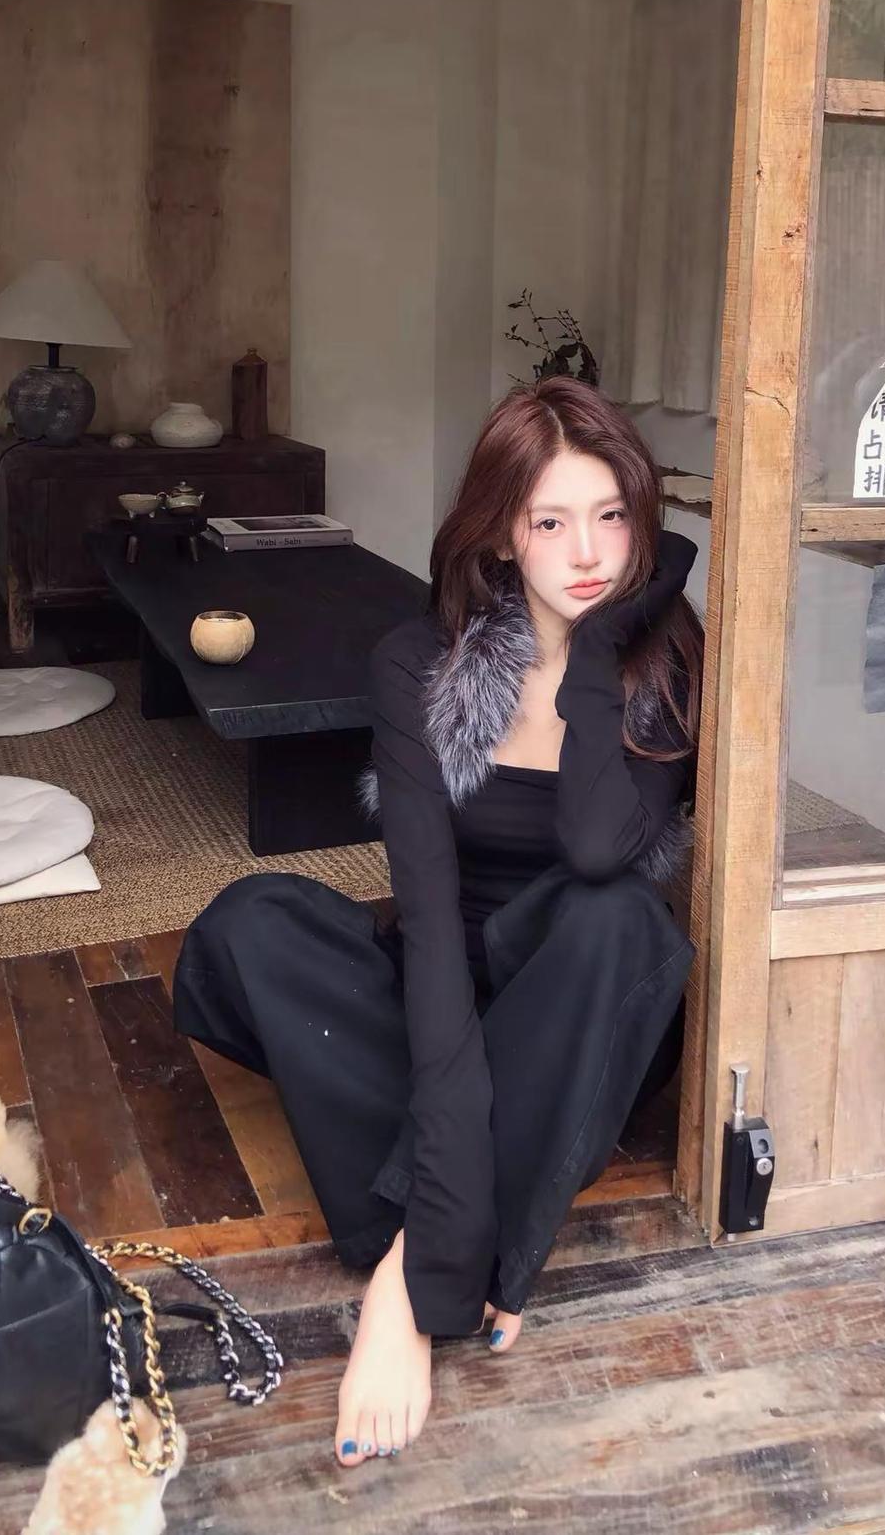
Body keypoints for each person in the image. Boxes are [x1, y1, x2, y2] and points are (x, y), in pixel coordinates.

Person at [172, 376, 702, 1468]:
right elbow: (423, 915)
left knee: (614, 916)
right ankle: (500, 1178)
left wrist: (413, 1279)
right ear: (501, 533)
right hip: (442, 973)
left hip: (579, 998)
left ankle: (406, 1262)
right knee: (252, 920)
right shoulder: (421, 661)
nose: (587, 552)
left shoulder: (662, 658)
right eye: (549, 522)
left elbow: (599, 848)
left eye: (611, 515)